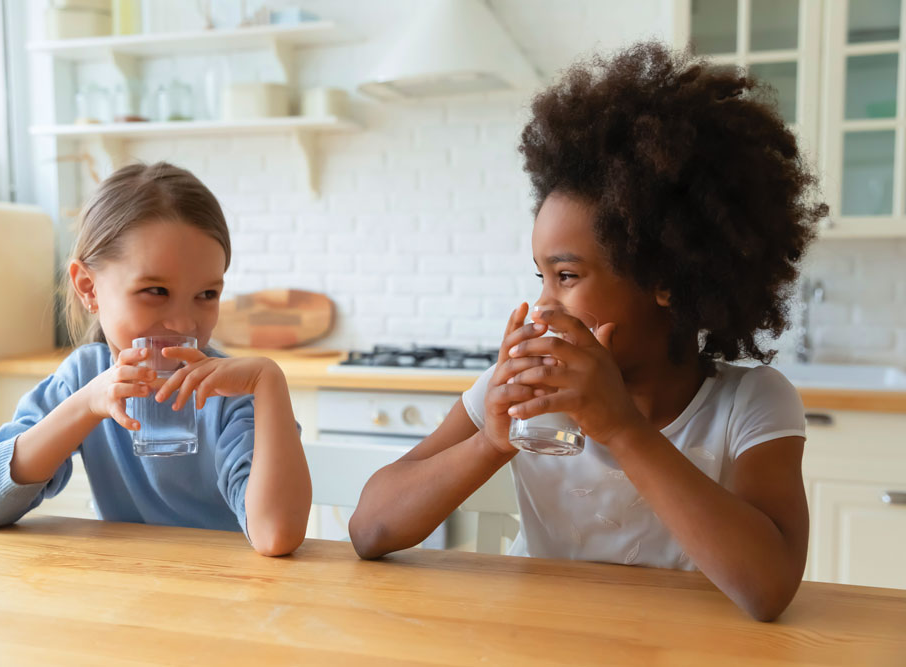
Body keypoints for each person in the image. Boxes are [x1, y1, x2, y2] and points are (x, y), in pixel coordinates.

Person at [349, 42, 826, 621]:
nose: (544, 307)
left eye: (567, 275)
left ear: (667, 278)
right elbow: (369, 529)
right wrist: (490, 441)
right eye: (541, 277)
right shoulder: (520, 393)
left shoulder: (750, 404)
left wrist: (621, 428)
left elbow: (768, 588)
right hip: (538, 641)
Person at [0, 162, 312, 556]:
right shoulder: (84, 378)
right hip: (126, 597)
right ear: (88, 288)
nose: (183, 322)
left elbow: (276, 535)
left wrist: (269, 382)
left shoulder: (234, 393)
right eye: (156, 290)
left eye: (207, 295)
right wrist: (86, 405)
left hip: (224, 594)